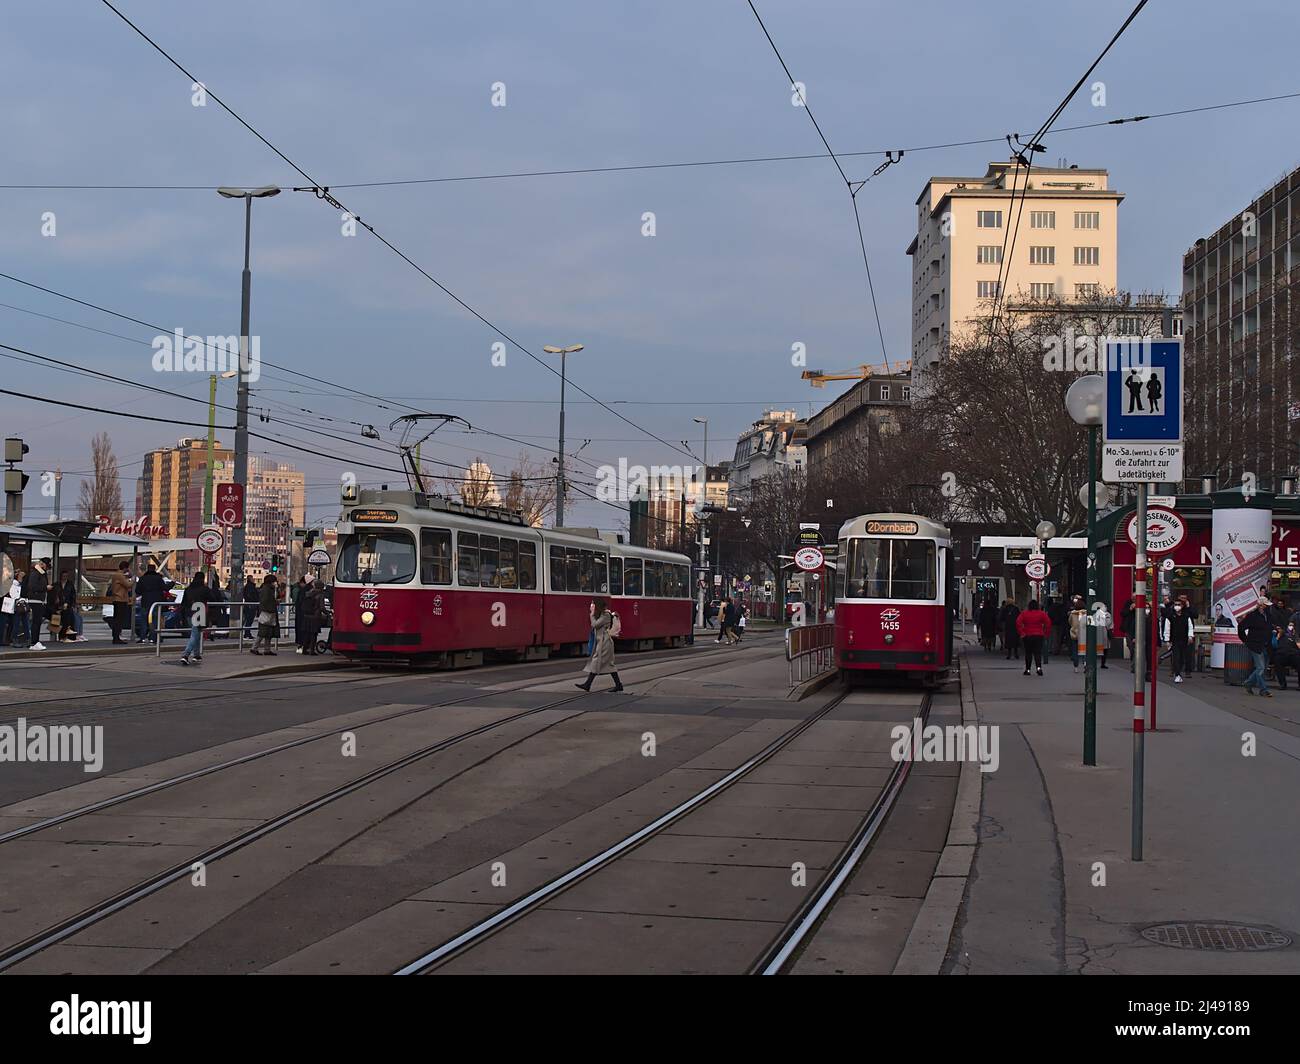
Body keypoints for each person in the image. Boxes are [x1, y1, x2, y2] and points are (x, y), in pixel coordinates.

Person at [575, 597, 623, 692]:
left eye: (593, 604)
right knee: (608, 665)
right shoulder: (602, 614)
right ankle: (618, 685)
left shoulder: (605, 615)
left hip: (605, 643)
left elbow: (595, 624)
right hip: (603, 642)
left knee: (596, 662)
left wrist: (592, 615)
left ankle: (588, 684)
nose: (592, 606)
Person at [1238, 597, 1273, 697]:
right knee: (1261, 668)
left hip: (1266, 644)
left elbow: (1269, 627)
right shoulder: (1252, 616)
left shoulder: (1268, 615)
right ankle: (1263, 689)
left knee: (1262, 668)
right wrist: (1245, 640)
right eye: (1266, 605)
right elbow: (1241, 627)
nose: (1268, 607)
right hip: (1255, 645)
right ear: (1261, 605)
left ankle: (1248, 683)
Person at [178, 570, 211, 666]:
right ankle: (185, 655)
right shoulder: (205, 589)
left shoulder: (188, 589)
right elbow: (212, 597)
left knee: (196, 633)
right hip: (200, 613)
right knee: (195, 635)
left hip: (189, 613)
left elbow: (183, 603)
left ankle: (196, 655)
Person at [1162, 598, 1195, 683]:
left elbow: (1190, 627)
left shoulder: (1186, 616)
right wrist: (1167, 640)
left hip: (1184, 640)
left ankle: (1179, 672)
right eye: (1175, 605)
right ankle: (1177, 674)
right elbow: (1167, 629)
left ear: (1182, 606)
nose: (1177, 606)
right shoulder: (1170, 616)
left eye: (1179, 605)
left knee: (1182, 658)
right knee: (1176, 657)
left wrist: (1190, 636)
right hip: (1174, 640)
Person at [1016, 598, 1051, 676]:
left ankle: (1028, 669)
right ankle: (1039, 668)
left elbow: (1018, 622)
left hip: (1027, 635)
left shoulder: (1024, 613)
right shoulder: (1042, 614)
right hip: (1039, 635)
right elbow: (1048, 623)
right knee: (1037, 652)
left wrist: (1021, 632)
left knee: (1028, 653)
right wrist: (1046, 633)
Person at [136, 562, 169, 643]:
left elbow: (138, 591)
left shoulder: (143, 579)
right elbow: (165, 588)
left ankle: (142, 638)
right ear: (154, 569)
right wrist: (172, 584)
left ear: (147, 569)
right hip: (156, 603)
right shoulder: (158, 578)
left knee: (144, 621)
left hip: (145, 602)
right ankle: (153, 638)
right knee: (155, 621)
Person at [20, 559, 49, 651]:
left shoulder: (40, 573)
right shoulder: (36, 573)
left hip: (38, 600)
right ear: (42, 564)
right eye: (46, 565)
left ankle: (35, 641)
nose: (46, 567)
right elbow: (32, 586)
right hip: (35, 600)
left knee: (37, 621)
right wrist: (45, 588)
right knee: (36, 622)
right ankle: (34, 642)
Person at [252, 574, 280, 655]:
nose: (275, 583)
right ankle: (254, 648)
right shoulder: (266, 590)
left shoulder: (270, 589)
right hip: (267, 613)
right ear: (270, 582)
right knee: (263, 632)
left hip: (268, 613)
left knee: (269, 632)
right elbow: (265, 602)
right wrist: (274, 603)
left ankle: (267, 649)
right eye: (274, 581)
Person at [107, 561, 133, 644]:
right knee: (119, 620)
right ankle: (116, 638)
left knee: (117, 619)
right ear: (125, 568)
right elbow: (128, 585)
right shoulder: (120, 575)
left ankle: (116, 637)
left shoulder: (117, 575)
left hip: (117, 599)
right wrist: (133, 579)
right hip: (120, 599)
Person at [1273, 615, 1300, 691]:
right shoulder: (1282, 633)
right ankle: (1282, 684)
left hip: (1293, 654)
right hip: (1281, 653)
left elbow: (1298, 645)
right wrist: (1278, 634)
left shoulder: (1296, 635)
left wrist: (1295, 638)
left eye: (1292, 625)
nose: (1291, 627)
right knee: (1278, 662)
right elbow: (1275, 641)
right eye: (1290, 625)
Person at [300, 576, 324, 655]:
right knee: (314, 634)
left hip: (306, 615)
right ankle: (312, 650)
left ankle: (304, 649)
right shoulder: (320, 595)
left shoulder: (308, 593)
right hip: (315, 616)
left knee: (307, 633)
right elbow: (321, 607)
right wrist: (327, 613)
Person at [1067, 597, 1088, 672]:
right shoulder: (1087, 613)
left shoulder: (1072, 614)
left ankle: (1076, 667)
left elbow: (1070, 622)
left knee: (1075, 651)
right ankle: (1085, 663)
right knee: (1085, 650)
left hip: (1075, 634)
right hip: (1084, 634)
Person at [1091, 601, 1111, 668]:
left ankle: (1096, 663)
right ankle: (1102, 663)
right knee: (1104, 649)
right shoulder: (1107, 615)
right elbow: (1109, 624)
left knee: (1098, 649)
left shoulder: (1096, 615)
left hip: (1099, 633)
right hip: (1103, 633)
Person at [1119, 597, 1136, 669]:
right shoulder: (1127, 604)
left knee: (1136, 648)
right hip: (1128, 629)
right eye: (1133, 598)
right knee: (1131, 647)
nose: (1134, 599)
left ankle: (1134, 665)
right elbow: (1122, 613)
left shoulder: (1142, 604)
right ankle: (1134, 663)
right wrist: (1130, 609)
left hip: (1137, 629)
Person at [241, 575, 258, 641]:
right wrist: (254, 600)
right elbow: (251, 596)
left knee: (248, 620)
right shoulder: (250, 587)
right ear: (250, 579)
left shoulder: (248, 586)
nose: (253, 579)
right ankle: (247, 634)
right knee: (249, 620)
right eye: (252, 578)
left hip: (249, 605)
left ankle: (247, 633)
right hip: (251, 605)